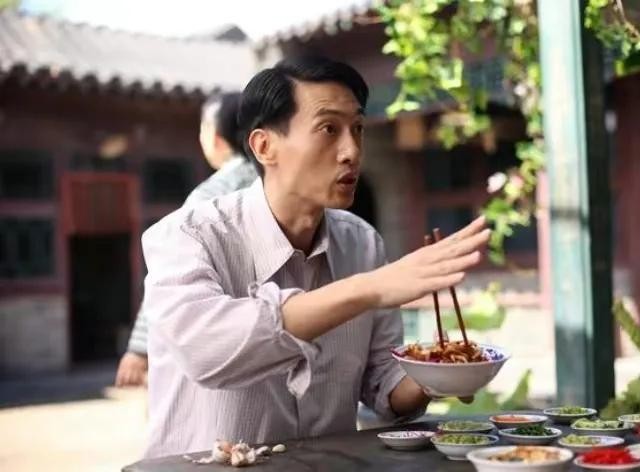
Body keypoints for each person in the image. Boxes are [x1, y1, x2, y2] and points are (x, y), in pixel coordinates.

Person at [141, 56, 490, 458]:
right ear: (264, 146)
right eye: (329, 129)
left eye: (357, 129)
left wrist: (438, 375)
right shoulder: (189, 235)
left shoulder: (362, 243)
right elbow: (206, 352)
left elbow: (384, 384)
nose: (352, 151)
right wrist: (368, 289)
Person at [114, 92, 257, 388]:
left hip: (219, 332)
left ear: (215, 137)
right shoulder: (278, 185)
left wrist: (139, 349)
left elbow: (170, 272)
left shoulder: (209, 195)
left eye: (202, 128)